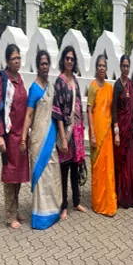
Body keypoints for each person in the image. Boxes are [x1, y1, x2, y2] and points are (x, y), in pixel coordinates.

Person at [20, 50, 62, 229]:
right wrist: (23, 139)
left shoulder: (51, 87)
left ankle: (53, 212)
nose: (45, 67)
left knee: (52, 175)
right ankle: (40, 217)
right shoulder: (35, 89)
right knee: (40, 177)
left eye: (47, 64)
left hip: (51, 139)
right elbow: (29, 115)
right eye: (42, 64)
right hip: (38, 139)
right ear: (37, 66)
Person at [0, 44, 29, 229]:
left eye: (19, 58)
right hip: (8, 136)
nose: (17, 61)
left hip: (20, 136)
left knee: (18, 177)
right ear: (8, 61)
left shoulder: (20, 79)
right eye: (14, 58)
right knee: (9, 178)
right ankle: (9, 216)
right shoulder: (4, 79)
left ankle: (15, 210)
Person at [53, 46, 88, 220]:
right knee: (64, 170)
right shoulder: (59, 82)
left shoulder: (74, 80)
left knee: (75, 168)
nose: (69, 61)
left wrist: (80, 133)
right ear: (63, 60)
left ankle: (76, 202)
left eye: (72, 59)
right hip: (65, 133)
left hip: (76, 133)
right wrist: (64, 139)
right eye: (67, 58)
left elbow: (79, 106)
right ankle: (63, 206)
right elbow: (58, 112)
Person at [86, 54, 117, 216]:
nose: (101, 68)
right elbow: (89, 111)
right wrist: (91, 134)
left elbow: (113, 110)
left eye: (104, 66)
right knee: (98, 169)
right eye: (99, 66)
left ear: (106, 68)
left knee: (108, 168)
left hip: (108, 133)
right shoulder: (93, 87)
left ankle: (108, 200)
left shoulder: (110, 88)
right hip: (97, 133)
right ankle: (98, 203)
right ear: (96, 68)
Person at [112, 55, 133, 209]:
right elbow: (114, 111)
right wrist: (116, 131)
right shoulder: (117, 86)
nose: (126, 68)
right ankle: (120, 196)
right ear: (120, 67)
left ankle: (129, 196)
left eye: (128, 66)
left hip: (129, 130)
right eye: (123, 66)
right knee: (120, 163)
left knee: (129, 163)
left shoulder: (130, 84)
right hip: (120, 130)